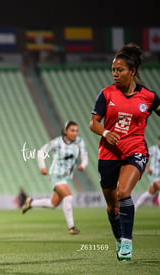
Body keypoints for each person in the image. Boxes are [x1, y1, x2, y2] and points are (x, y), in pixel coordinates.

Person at [89, 43, 160, 261]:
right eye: (113, 70)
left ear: (132, 71)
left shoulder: (148, 97)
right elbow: (93, 123)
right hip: (108, 155)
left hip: (135, 150)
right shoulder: (106, 94)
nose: (115, 74)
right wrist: (106, 132)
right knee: (112, 207)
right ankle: (119, 239)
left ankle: (127, 242)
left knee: (123, 192)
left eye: (120, 70)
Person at [22, 121, 88, 235]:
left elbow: (85, 156)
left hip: (67, 177)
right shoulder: (57, 142)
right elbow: (41, 152)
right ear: (65, 131)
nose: (75, 133)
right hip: (56, 174)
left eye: (76, 131)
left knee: (53, 204)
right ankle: (71, 227)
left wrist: (83, 165)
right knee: (68, 196)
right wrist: (42, 167)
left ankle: (31, 202)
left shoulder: (79, 142)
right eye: (72, 130)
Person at [135, 135, 160, 209]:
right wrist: (147, 168)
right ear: (158, 141)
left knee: (150, 193)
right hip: (153, 174)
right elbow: (145, 156)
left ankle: (136, 205)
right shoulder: (154, 149)